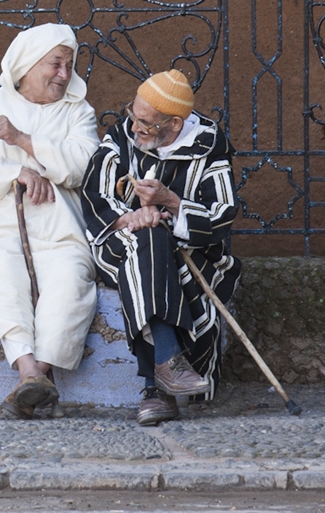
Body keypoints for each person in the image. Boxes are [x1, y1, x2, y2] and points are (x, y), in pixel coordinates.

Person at [0, 23, 100, 419]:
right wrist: (14, 174)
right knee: (0, 271)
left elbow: (86, 165)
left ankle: (34, 380)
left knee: (69, 278)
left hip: (60, 231)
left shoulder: (77, 112)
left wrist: (23, 141)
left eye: (69, 65)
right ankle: (29, 371)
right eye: (56, 64)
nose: (64, 74)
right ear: (28, 65)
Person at [81, 69, 241, 426]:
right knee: (148, 241)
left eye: (146, 124)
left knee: (155, 246)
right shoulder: (123, 135)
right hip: (120, 243)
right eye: (133, 115)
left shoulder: (208, 150)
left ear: (173, 123)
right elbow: (95, 192)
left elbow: (222, 215)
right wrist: (129, 218)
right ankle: (167, 370)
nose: (135, 128)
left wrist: (171, 201)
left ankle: (155, 391)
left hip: (190, 252)